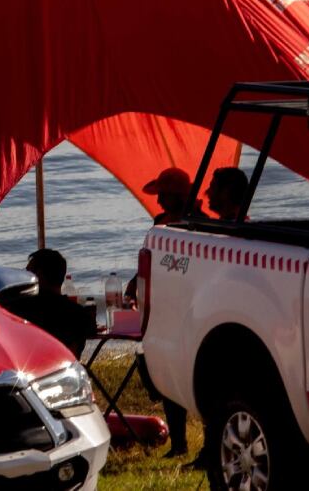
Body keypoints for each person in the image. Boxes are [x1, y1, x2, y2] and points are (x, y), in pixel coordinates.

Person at [130, 166, 193, 457]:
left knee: (195, 378)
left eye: (163, 195)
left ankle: (203, 444)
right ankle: (179, 444)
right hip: (165, 313)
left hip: (190, 312)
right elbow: (150, 263)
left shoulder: (198, 226)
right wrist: (134, 286)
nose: (159, 201)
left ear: (176, 196)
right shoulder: (161, 223)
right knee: (166, 378)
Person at [1, 248, 97, 358]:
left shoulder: (18, 310)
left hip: (30, 370)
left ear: (39, 275)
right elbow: (91, 330)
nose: (25, 276)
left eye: (28, 272)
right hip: (65, 370)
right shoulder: (78, 314)